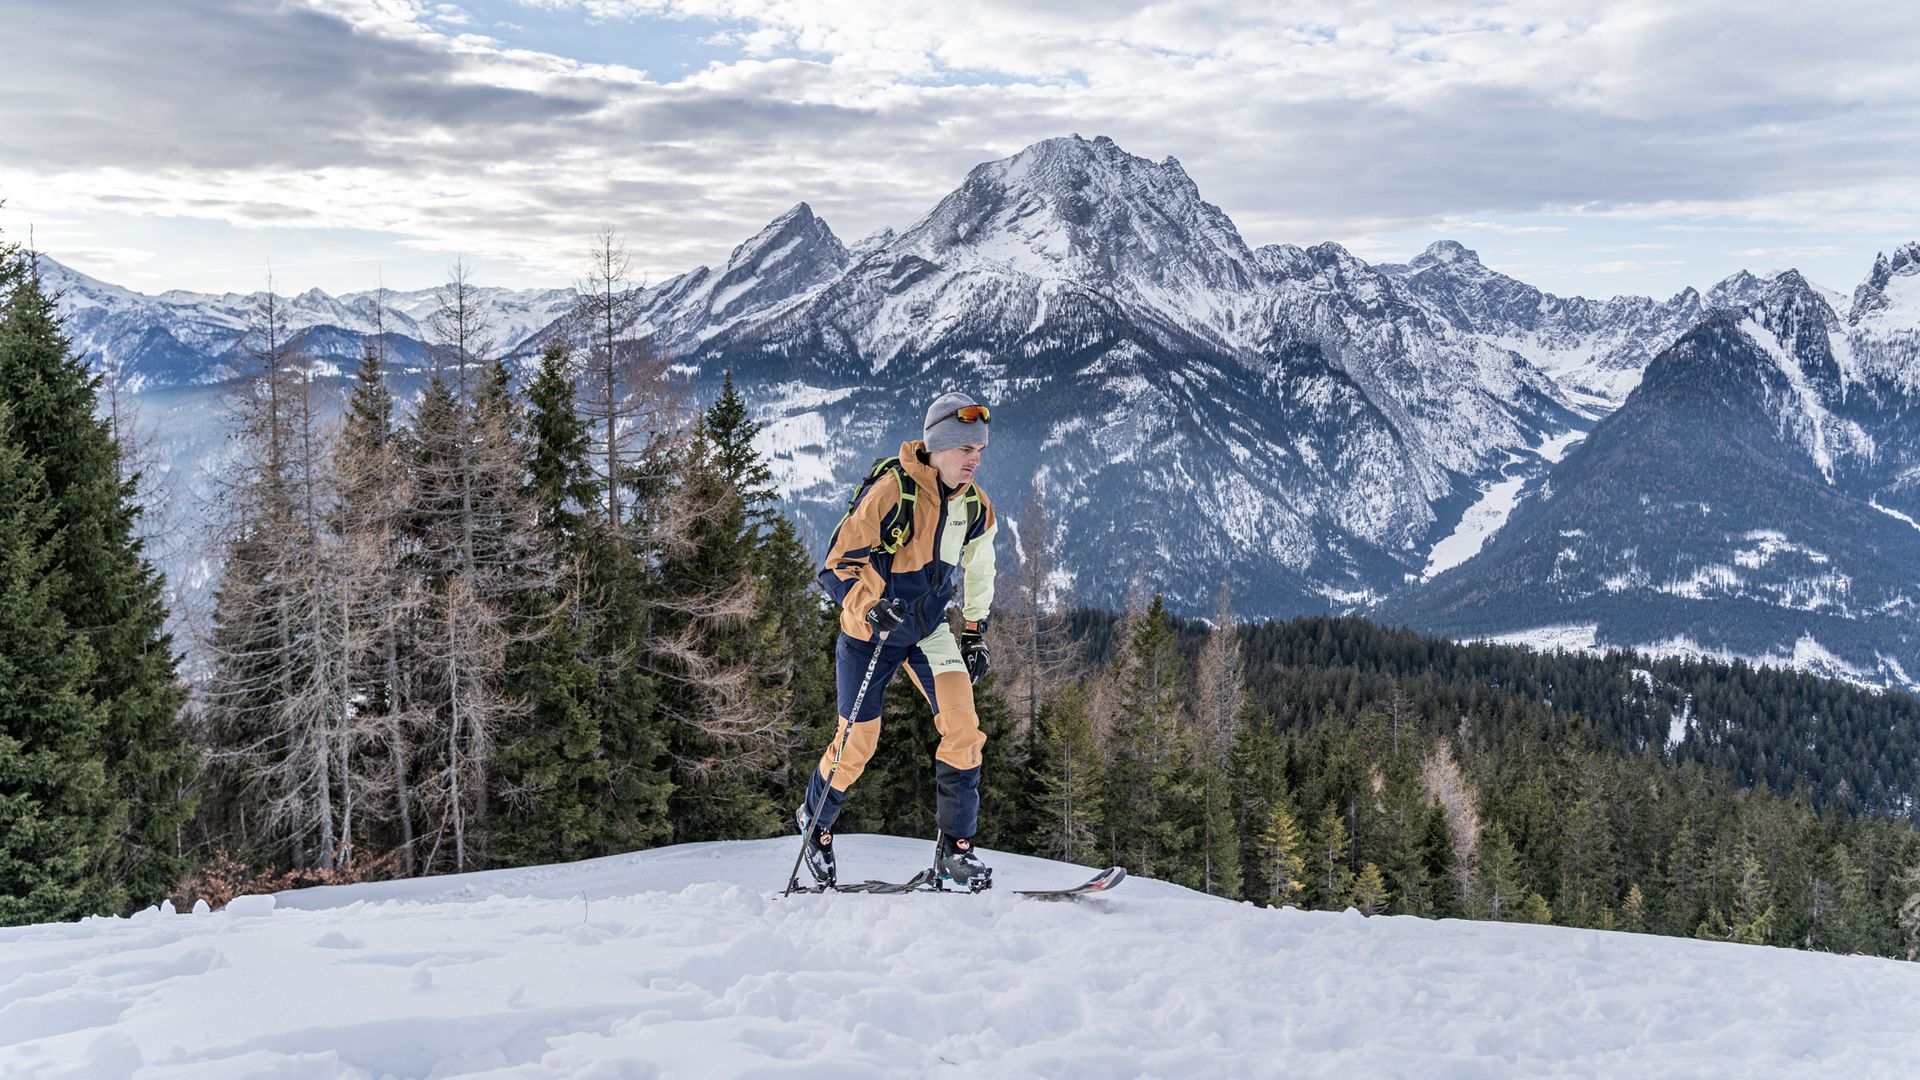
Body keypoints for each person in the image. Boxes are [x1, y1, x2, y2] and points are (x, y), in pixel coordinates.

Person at [797, 391, 999, 888]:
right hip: (871, 634)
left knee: (964, 728)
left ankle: (956, 848)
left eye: (979, 450)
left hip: (927, 631)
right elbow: (834, 567)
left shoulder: (974, 507)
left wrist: (973, 632)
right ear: (938, 446)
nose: (975, 460)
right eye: (965, 449)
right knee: (857, 743)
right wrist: (868, 605)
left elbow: (980, 569)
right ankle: (815, 823)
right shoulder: (893, 491)